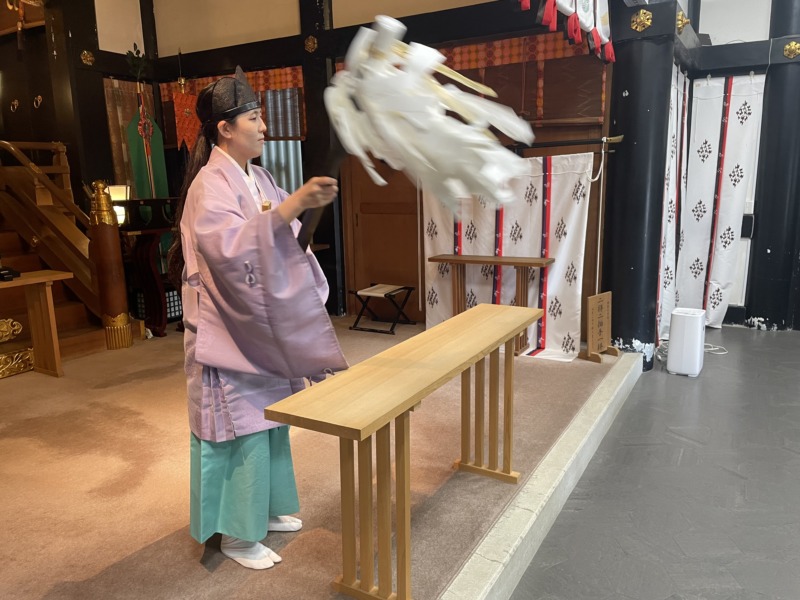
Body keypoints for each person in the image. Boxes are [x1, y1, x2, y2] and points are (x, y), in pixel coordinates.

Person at [167, 66, 348, 570]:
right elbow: (227, 252)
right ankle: (236, 535)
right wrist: (293, 205)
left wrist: (295, 223)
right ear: (225, 128)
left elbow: (279, 246)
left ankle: (264, 511)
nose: (264, 125)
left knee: (269, 421)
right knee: (238, 427)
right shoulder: (210, 185)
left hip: (257, 319)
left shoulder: (259, 176)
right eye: (254, 116)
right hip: (225, 326)